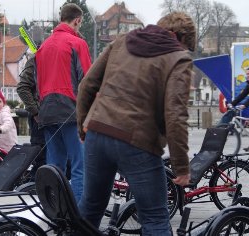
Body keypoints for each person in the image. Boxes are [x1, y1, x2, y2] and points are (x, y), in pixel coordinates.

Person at [77, 12, 196, 234]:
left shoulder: (122, 41)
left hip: (98, 132)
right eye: (185, 45)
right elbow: (175, 114)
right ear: (175, 36)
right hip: (137, 142)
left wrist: (83, 126)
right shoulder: (178, 58)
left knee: (91, 207)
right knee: (154, 217)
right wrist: (181, 166)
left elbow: (87, 85)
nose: (184, 50)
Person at [35, 3, 91, 203]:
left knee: (55, 167)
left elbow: (37, 83)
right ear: (77, 20)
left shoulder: (43, 47)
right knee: (79, 165)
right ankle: (79, 216)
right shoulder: (77, 43)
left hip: (47, 111)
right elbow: (87, 81)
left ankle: (54, 210)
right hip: (70, 109)